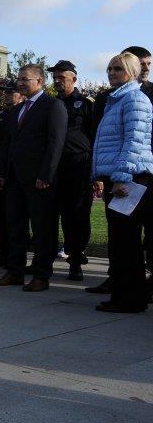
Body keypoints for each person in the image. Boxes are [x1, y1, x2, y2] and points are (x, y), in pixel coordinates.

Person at [0, 63, 67, 291]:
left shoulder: (53, 106)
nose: (20, 83)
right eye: (19, 79)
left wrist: (46, 175)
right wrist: (2, 173)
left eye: (25, 79)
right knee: (15, 227)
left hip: (38, 180)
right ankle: (15, 271)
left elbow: (55, 144)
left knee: (43, 229)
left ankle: (41, 275)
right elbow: (8, 144)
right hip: (14, 178)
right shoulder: (16, 110)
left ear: (40, 82)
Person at [90, 51, 153, 312]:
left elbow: (135, 142)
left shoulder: (134, 99)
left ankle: (130, 299)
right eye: (109, 69)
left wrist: (121, 177)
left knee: (125, 241)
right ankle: (125, 296)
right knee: (120, 240)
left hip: (131, 178)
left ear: (132, 71)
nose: (112, 73)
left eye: (118, 69)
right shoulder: (117, 100)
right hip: (120, 176)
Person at [47, 60, 96, 281]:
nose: (57, 81)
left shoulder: (86, 104)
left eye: (61, 77)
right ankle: (45, 260)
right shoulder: (49, 104)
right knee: (49, 214)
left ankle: (75, 260)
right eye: (54, 77)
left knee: (76, 215)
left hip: (78, 166)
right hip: (54, 167)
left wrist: (96, 173)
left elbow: (95, 137)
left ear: (73, 79)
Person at [0, 81, 24, 267]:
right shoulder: (0, 115)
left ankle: (15, 255)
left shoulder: (25, 113)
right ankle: (1, 251)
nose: (8, 95)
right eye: (5, 92)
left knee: (16, 215)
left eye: (12, 92)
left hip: (16, 168)